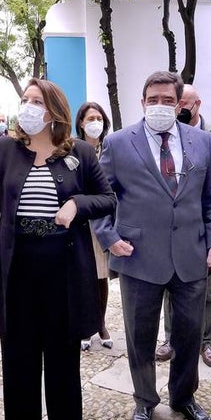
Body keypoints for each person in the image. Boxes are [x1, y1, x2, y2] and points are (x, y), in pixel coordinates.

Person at [0, 79, 116, 420]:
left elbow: (107, 198)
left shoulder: (80, 152)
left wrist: (77, 205)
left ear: (54, 110)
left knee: (62, 359)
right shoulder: (3, 149)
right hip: (15, 267)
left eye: (36, 101)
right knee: (18, 358)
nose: (28, 107)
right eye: (24, 100)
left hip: (63, 269)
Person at [94, 71, 211, 420]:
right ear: (142, 103)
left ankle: (184, 397)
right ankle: (145, 400)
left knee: (189, 334)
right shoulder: (120, 143)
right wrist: (109, 237)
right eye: (152, 100)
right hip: (138, 255)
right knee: (140, 336)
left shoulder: (201, 142)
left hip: (192, 255)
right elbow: (103, 197)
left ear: (180, 104)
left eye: (168, 100)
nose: (159, 106)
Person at [157, 84, 211, 368]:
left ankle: (206, 341)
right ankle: (170, 338)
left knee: (209, 288)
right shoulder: (166, 135)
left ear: (197, 104)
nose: (177, 110)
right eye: (174, 104)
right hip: (175, 227)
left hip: (208, 228)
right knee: (170, 284)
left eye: (182, 103)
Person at [75, 100, 115, 352]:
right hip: (79, 221)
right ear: (80, 123)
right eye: (90, 119)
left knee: (101, 277)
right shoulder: (71, 149)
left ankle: (100, 324)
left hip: (104, 221)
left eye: (99, 119)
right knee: (82, 276)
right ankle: (85, 325)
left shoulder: (110, 148)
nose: (95, 124)